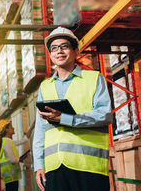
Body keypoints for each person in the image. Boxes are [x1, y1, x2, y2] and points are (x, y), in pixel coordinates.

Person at [33, 27, 112, 191]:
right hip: (54, 167)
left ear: (76, 51)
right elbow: (40, 130)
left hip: (88, 167)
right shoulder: (45, 87)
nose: (59, 51)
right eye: (54, 48)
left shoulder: (94, 79)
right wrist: (39, 165)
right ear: (50, 55)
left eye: (64, 46)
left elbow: (104, 115)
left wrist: (65, 118)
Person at [0, 119, 25, 191]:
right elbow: (12, 160)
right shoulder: (6, 142)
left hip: (11, 178)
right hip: (11, 177)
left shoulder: (8, 141)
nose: (13, 128)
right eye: (11, 126)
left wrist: (32, 127)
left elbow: (24, 140)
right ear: (6, 129)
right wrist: (21, 159)